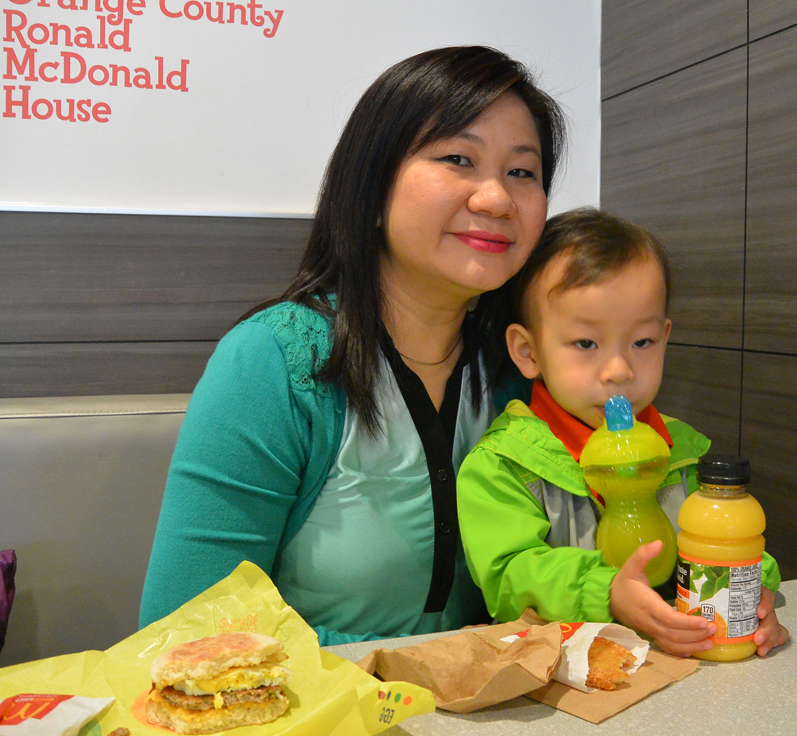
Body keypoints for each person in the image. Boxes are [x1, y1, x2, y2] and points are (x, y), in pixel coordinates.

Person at [138, 46, 566, 646]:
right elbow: (182, 630)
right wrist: (414, 671)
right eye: (458, 158)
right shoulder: (273, 363)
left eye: (523, 171)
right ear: (371, 184)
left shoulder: (529, 364)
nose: (496, 198)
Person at [457, 208, 789, 657]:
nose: (619, 371)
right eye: (587, 344)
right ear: (528, 351)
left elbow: (730, 540)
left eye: (642, 342)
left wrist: (753, 591)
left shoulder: (686, 453)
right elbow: (510, 574)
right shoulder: (503, 465)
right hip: (558, 678)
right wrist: (607, 591)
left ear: (665, 337)